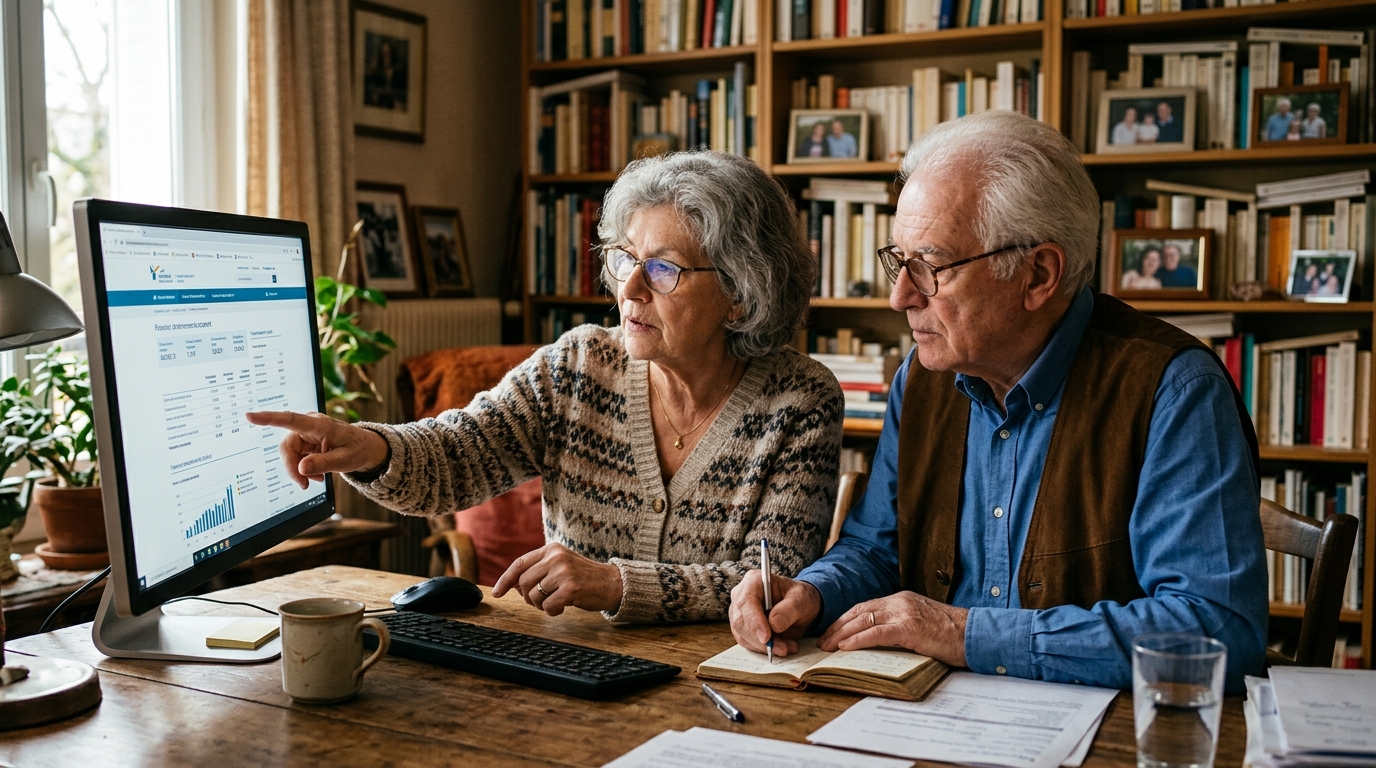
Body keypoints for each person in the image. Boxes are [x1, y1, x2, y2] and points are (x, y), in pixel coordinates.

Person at [727, 110, 1266, 693]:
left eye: (929, 266)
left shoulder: (1173, 389)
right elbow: (877, 549)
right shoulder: (923, 377)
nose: (899, 297)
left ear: (1039, 274)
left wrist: (965, 634)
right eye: (898, 261)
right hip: (928, 709)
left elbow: (1215, 630)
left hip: (1105, 727)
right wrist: (814, 591)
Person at [249, 151, 844, 624]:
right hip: (573, 664)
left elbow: (774, 581)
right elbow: (458, 456)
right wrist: (369, 448)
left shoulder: (800, 400)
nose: (629, 288)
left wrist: (615, 584)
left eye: (664, 268)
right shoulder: (580, 365)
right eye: (625, 258)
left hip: (719, 680)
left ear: (740, 292)